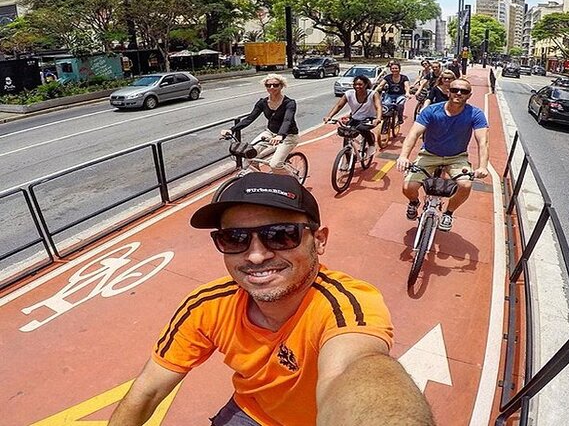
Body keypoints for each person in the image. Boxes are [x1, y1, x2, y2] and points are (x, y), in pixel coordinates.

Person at [108, 173, 435, 426]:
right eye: (234, 238)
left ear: (318, 240)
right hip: (250, 413)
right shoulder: (208, 305)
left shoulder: (346, 306)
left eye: (280, 235)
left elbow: (356, 369)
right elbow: (149, 390)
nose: (256, 255)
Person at [396, 78, 489, 232]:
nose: (459, 93)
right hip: (429, 154)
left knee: (465, 185)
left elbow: (483, 142)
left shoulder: (475, 114)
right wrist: (403, 156)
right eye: (455, 90)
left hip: (457, 157)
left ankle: (448, 213)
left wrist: (483, 167)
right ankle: (413, 202)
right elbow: (414, 134)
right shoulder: (431, 110)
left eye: (464, 91)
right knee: (408, 187)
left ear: (469, 95)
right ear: (448, 91)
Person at [220, 74, 298, 173]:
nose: (272, 87)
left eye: (275, 85)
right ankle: (260, 179)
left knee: (275, 165)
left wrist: (280, 135)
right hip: (270, 133)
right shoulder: (263, 102)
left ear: (281, 86)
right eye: (268, 85)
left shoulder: (289, 103)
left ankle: (292, 181)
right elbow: (249, 118)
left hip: (288, 136)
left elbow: (287, 120)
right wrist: (232, 129)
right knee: (249, 155)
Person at [323, 75, 382, 156]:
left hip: (369, 119)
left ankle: (371, 145)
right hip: (355, 118)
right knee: (346, 133)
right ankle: (347, 159)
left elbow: (378, 107)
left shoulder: (373, 94)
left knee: (362, 128)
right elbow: (339, 106)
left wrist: (378, 118)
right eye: (355, 84)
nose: (357, 86)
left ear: (366, 85)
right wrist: (329, 116)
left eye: (360, 84)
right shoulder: (349, 94)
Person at [374, 60, 411, 125]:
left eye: (396, 68)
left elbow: (406, 86)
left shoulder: (404, 77)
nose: (394, 70)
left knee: (400, 105)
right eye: (393, 68)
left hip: (400, 95)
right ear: (390, 69)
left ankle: (400, 119)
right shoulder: (388, 77)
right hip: (389, 94)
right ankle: (385, 119)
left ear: (399, 69)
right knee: (385, 105)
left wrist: (407, 93)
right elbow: (381, 85)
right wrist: (374, 92)